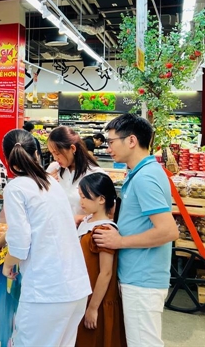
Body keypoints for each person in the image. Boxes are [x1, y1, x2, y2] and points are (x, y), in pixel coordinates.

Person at [0, 129, 91, 347]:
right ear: (37, 154)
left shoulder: (16, 187)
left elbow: (20, 243)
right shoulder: (50, 182)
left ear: (7, 158)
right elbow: (44, 225)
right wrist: (3, 239)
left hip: (47, 291)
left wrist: (8, 264)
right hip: (75, 287)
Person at [94, 114, 179, 347]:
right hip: (138, 275)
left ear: (131, 141)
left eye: (111, 141)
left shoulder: (146, 177)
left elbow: (168, 231)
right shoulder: (139, 173)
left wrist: (119, 241)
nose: (108, 147)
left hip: (143, 279)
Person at [75, 173, 126, 347]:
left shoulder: (104, 229)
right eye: (80, 196)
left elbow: (106, 272)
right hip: (85, 293)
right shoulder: (88, 220)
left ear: (101, 199)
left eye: (85, 197)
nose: (81, 201)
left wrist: (93, 308)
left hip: (97, 299)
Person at [47, 126, 106, 218]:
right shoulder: (53, 169)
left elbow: (108, 213)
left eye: (57, 153)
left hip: (82, 231)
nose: (55, 158)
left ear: (73, 149)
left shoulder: (94, 174)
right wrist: (45, 184)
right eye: (52, 153)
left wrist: (83, 219)